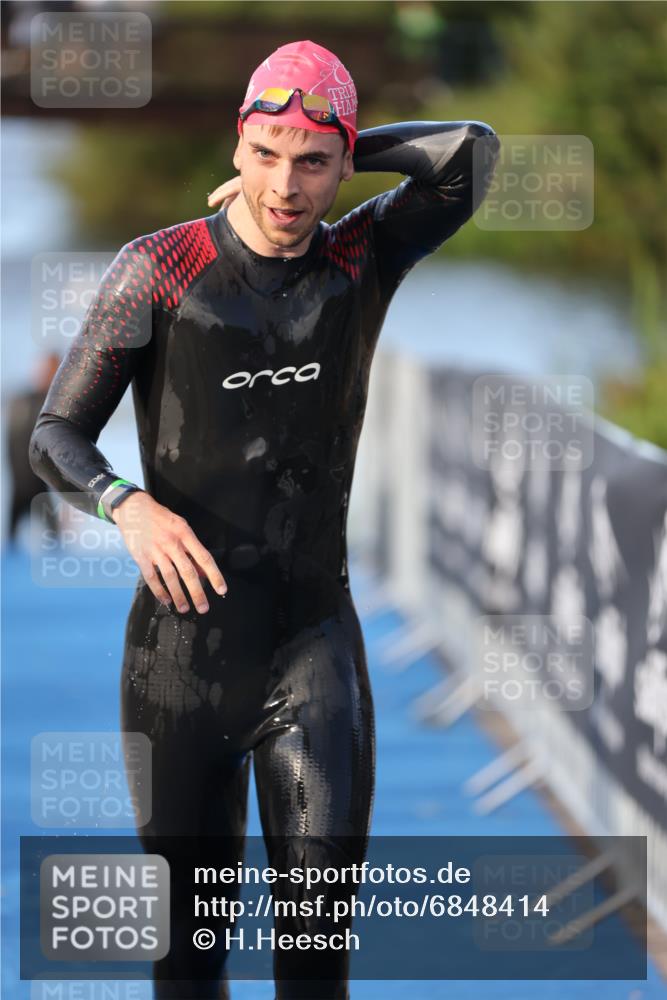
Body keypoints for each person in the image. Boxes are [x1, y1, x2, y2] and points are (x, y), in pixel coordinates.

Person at [29, 39, 498, 1000]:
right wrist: (126, 505)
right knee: (188, 962)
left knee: (316, 962)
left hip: (311, 651)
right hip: (178, 663)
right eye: (265, 154)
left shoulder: (361, 256)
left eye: (313, 162)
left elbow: (468, 154)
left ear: (343, 163)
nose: (285, 186)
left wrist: (342, 141)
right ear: (234, 146)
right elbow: (54, 435)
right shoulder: (158, 268)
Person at [7, 351, 61, 544]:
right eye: (46, 369)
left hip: (40, 483)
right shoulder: (22, 401)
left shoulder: (56, 404)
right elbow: (13, 442)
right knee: (11, 542)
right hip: (20, 483)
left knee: (55, 539)